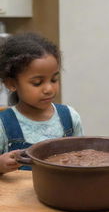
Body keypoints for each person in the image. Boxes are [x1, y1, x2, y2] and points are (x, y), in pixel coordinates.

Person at [0, 33, 84, 174]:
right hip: (18, 195)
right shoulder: (3, 124)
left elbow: (82, 158)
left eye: (53, 80)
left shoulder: (70, 117)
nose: (49, 89)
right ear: (11, 84)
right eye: (37, 83)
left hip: (64, 193)